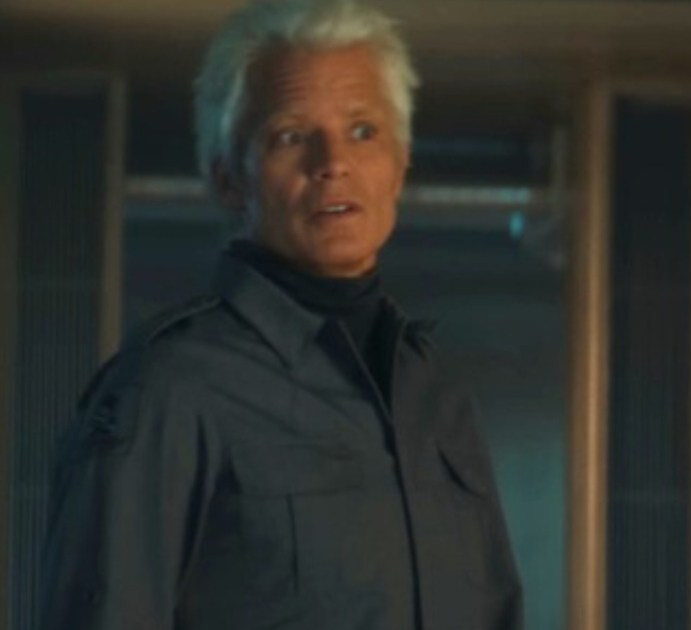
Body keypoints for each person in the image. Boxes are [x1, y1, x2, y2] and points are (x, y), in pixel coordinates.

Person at [41, 1, 522, 628]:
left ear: (400, 164)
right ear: (228, 179)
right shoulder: (169, 388)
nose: (333, 162)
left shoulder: (436, 390)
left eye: (363, 131)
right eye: (291, 136)